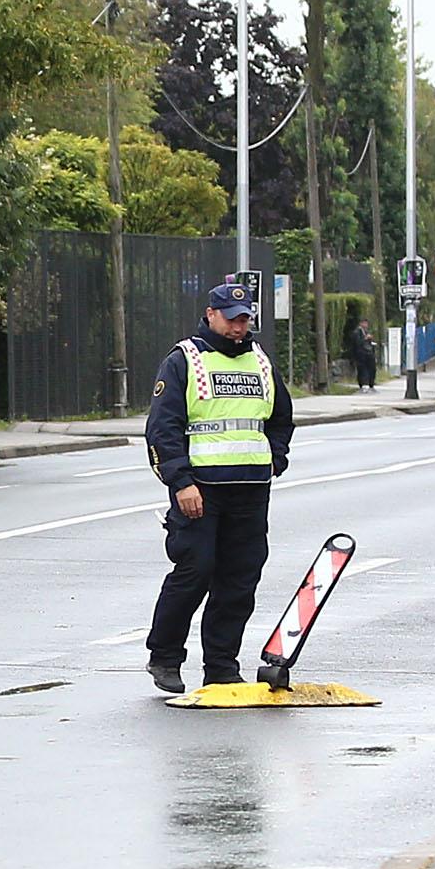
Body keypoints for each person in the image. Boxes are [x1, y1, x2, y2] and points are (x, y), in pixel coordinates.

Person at [142, 277, 298, 694]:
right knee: (195, 571)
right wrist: (180, 482)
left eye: (244, 319)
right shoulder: (184, 360)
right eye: (230, 319)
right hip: (200, 491)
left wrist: (274, 458)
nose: (238, 327)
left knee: (239, 579)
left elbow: (281, 417)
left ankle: (222, 666)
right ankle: (166, 657)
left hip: (250, 489)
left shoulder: (261, 362)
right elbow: (163, 429)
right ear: (210, 315)